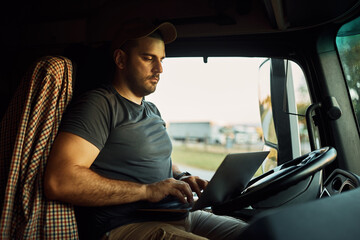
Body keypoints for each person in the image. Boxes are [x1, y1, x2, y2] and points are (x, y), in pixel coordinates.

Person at [44, 18, 247, 240]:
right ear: (121, 59)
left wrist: (181, 177)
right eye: (148, 58)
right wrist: (147, 190)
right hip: (127, 225)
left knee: (257, 233)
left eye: (161, 60)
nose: (159, 69)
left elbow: (158, 160)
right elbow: (60, 180)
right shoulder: (99, 105)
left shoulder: (152, 110)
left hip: (181, 215)